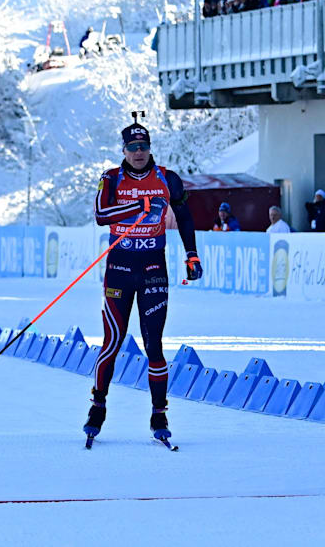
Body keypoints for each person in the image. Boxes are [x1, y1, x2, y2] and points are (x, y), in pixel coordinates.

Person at [86, 119, 200, 444]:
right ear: (123, 150)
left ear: (150, 148)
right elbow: (100, 215)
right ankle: (98, 405)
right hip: (120, 267)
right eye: (133, 147)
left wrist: (192, 254)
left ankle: (159, 414)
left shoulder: (167, 177)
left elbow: (186, 216)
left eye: (144, 146)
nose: (139, 153)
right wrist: (140, 205)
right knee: (113, 341)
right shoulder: (111, 178)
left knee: (154, 345)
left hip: (153, 266)